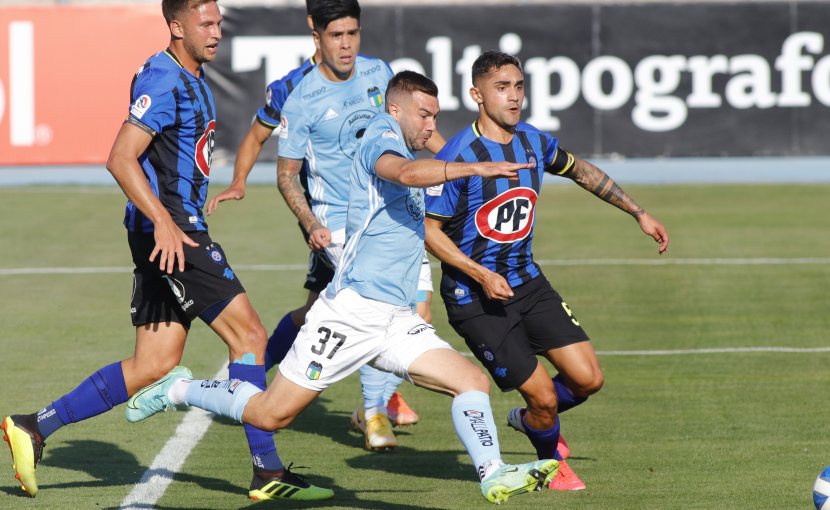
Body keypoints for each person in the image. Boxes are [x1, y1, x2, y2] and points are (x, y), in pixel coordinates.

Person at [125, 70, 559, 504]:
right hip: (350, 313)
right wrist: (473, 166)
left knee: (471, 382)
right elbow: (405, 174)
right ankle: (175, 390)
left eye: (435, 117)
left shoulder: (406, 139)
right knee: (271, 413)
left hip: (395, 318)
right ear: (395, 109)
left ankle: (493, 473)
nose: (431, 127)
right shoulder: (379, 139)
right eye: (424, 116)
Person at [1, 0, 331, 502]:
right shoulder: (163, 78)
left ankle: (34, 426)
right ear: (176, 27)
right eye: (206, 23)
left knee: (154, 363)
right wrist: (164, 224)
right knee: (250, 336)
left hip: (166, 230)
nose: (217, 32)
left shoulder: (191, 75)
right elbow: (119, 157)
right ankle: (267, 470)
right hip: (174, 232)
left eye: (219, 22)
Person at [424, 51, 670, 491]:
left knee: (588, 379)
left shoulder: (534, 141)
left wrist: (638, 212)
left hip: (528, 281)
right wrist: (479, 274)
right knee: (542, 395)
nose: (514, 96)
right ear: (477, 95)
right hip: (475, 298)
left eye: (519, 86)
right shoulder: (459, 157)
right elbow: (430, 231)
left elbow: (580, 171)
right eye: (503, 87)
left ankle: (531, 420)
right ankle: (549, 465)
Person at [270, 0, 443, 449]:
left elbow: (417, 128)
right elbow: (286, 173)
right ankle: (374, 414)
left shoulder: (378, 73)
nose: (346, 45)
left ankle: (260, 369)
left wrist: (455, 161)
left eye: (353, 34)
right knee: (387, 307)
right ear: (317, 37)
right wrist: (309, 222)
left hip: (394, 211)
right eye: (336, 36)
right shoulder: (301, 99)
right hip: (343, 224)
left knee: (415, 310)